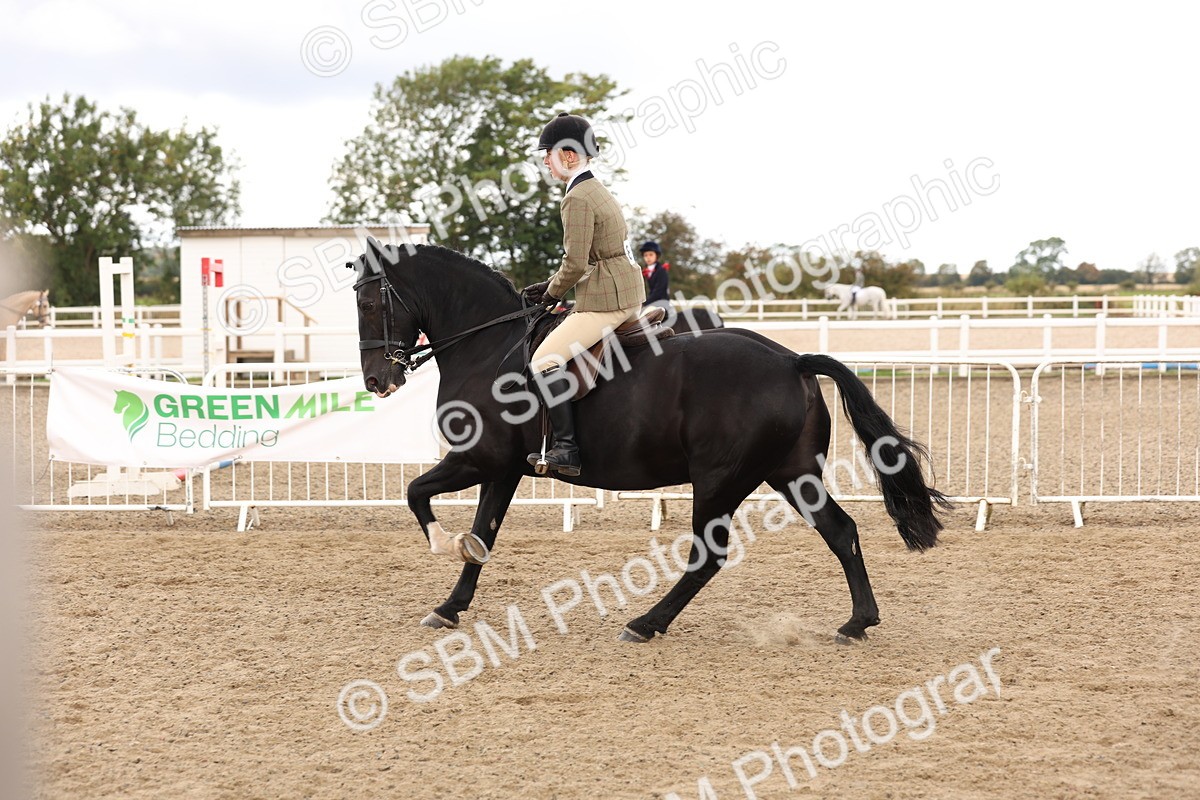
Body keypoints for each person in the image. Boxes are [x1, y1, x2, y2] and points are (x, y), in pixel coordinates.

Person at [520, 112, 646, 477]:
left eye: (549, 153)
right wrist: (552, 284)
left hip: (608, 298)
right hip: (623, 289)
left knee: (544, 361)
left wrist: (551, 293)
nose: (546, 161)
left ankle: (567, 449)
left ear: (569, 155)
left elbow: (575, 263)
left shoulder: (577, 198)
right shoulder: (596, 189)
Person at [639, 241, 672, 313]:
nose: (648, 257)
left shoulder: (661, 270)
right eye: (645, 255)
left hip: (662, 305)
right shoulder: (646, 271)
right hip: (652, 303)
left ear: (656, 255)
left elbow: (658, 291)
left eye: (651, 255)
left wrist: (645, 303)